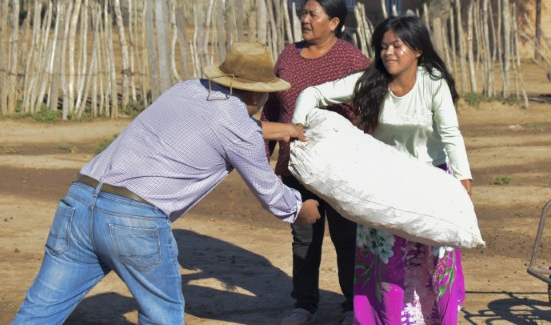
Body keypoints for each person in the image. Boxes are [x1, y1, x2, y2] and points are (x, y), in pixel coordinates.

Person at [11, 42, 322, 325]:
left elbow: (223, 125)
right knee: (162, 318)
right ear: (257, 94)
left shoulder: (187, 89)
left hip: (80, 202)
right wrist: (299, 210)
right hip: (134, 220)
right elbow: (269, 192)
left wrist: (282, 129)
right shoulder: (239, 127)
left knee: (39, 312)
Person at [292, 15, 473, 324]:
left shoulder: (433, 83)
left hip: (431, 183)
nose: (388, 53)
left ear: (417, 50)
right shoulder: (370, 80)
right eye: (384, 46)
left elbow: (450, 134)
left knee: (434, 258)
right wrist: (297, 125)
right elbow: (312, 93)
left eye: (397, 46)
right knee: (387, 261)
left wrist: (463, 179)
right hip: (384, 184)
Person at [261, 0, 371, 325]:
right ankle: (304, 305)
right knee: (304, 237)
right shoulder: (288, 55)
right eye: (304, 13)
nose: (305, 20)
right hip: (296, 165)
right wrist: (264, 153)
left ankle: (353, 306)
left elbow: (370, 109)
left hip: (340, 169)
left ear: (334, 22)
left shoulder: (351, 60)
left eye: (313, 14)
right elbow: (273, 106)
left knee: (347, 239)